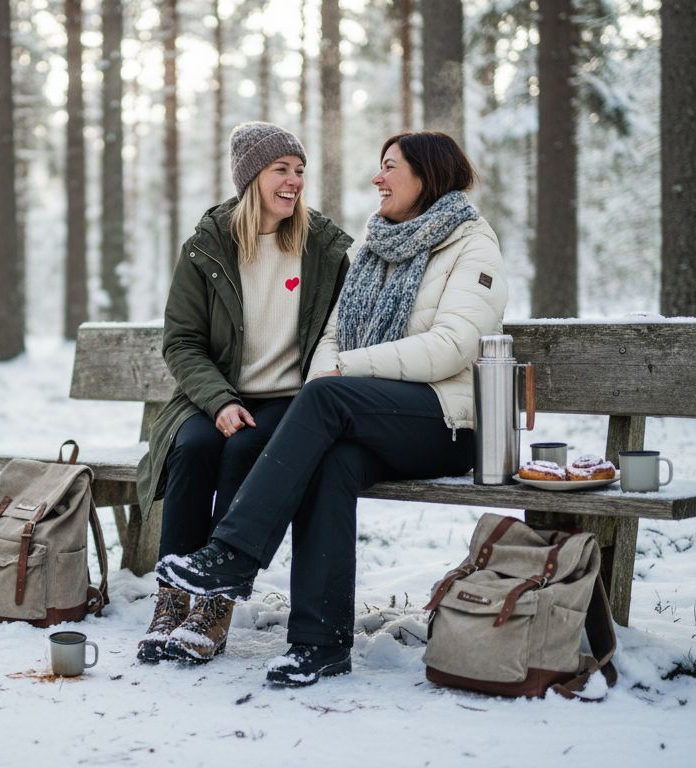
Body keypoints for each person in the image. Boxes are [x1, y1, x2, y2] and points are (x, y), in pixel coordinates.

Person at [155, 131, 509, 686]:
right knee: (330, 461)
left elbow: (453, 346)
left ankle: (232, 555)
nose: (378, 178)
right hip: (377, 418)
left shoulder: (471, 245)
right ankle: (321, 644)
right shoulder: (372, 248)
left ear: (427, 177)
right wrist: (333, 372)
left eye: (390, 167)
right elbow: (333, 337)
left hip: (446, 422)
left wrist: (345, 372)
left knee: (322, 398)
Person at [135, 122, 353, 664]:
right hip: (216, 393)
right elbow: (182, 341)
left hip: (293, 401)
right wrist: (220, 401)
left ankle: (215, 602)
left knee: (243, 448)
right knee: (193, 448)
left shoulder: (323, 247)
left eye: (299, 170)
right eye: (281, 169)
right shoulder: (208, 247)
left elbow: (345, 329)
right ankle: (173, 595)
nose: (293, 181)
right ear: (250, 177)